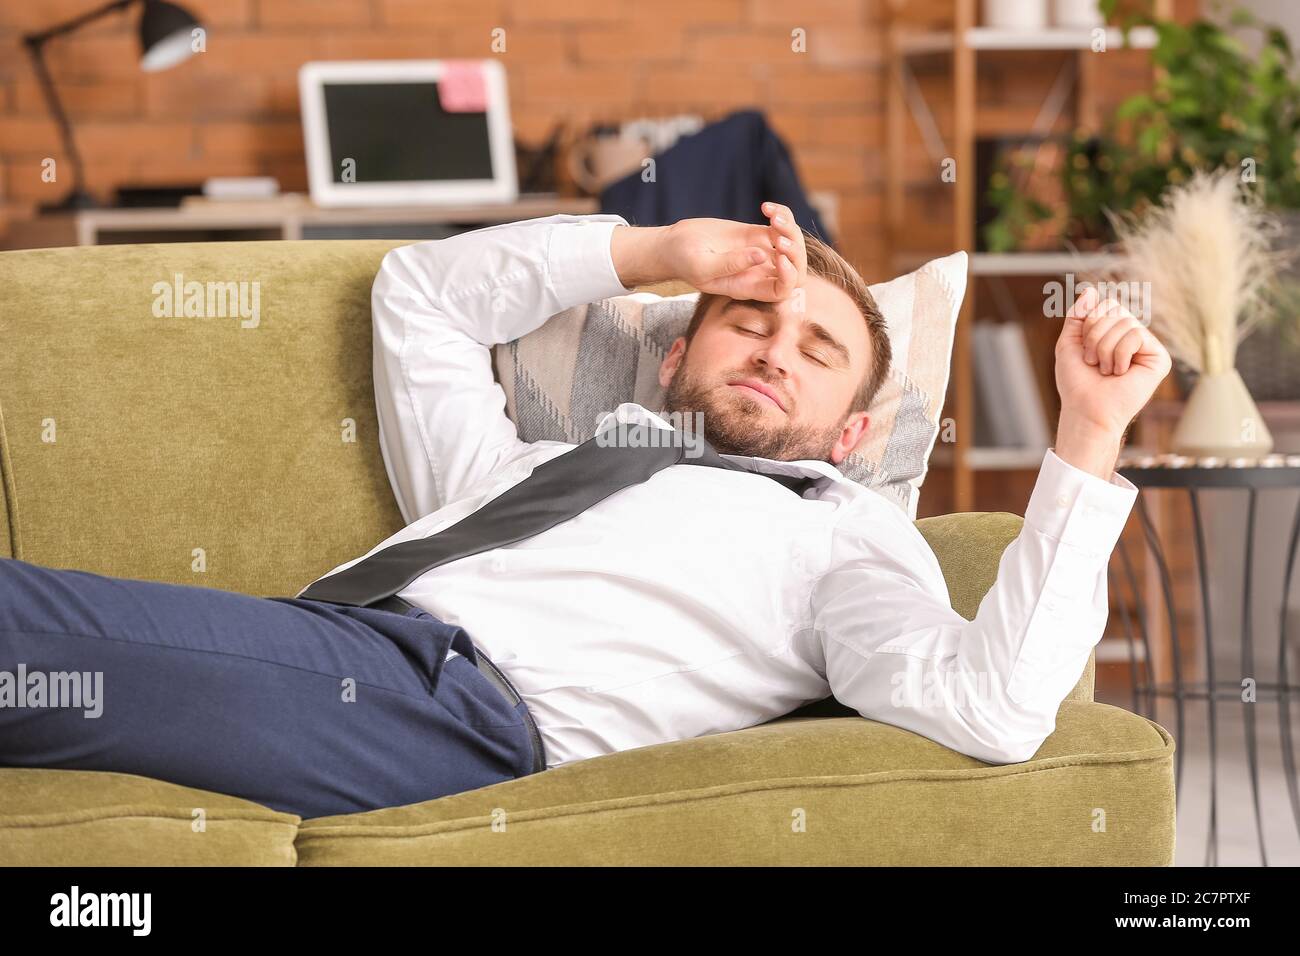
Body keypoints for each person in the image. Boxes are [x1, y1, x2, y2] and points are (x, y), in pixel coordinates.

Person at [0, 203, 1171, 820]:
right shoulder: (526, 471)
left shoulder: (841, 540)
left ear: (852, 432)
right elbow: (419, 298)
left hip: (455, 709)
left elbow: (996, 704)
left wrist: (1085, 435)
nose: (773, 349)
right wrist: (654, 249)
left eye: (818, 350)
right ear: (672, 358)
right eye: (747, 321)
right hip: (335, 651)